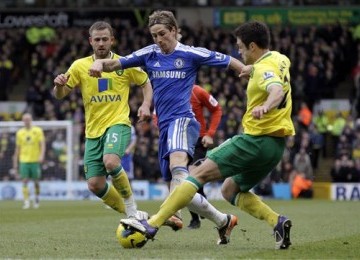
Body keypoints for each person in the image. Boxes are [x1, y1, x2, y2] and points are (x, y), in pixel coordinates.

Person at [120, 20, 295, 250]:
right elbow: (272, 76)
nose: (239, 52)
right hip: (276, 147)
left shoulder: (262, 70)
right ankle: (277, 222)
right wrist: (252, 69)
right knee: (229, 190)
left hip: (255, 140)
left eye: (241, 47)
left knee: (194, 175)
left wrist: (266, 106)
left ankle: (152, 224)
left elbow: (275, 89)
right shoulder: (280, 59)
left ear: (253, 46)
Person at [89, 10, 248, 244]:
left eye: (162, 34)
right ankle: (223, 221)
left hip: (183, 120)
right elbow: (117, 63)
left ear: (174, 31)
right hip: (164, 127)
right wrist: (101, 62)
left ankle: (161, 218)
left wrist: (246, 69)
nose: (158, 39)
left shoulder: (190, 53)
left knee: (178, 168)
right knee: (181, 188)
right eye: (154, 35)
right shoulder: (149, 53)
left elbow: (225, 59)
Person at [53, 21, 152, 220]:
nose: (101, 43)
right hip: (92, 132)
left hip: (118, 123)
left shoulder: (124, 63)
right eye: (97, 39)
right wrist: (58, 86)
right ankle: (138, 216)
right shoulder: (80, 66)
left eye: (105, 39)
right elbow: (60, 95)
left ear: (112, 40)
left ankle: (132, 210)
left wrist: (146, 104)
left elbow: (145, 82)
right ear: (90, 41)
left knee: (111, 161)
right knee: (95, 184)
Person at [187, 85, 223, 229]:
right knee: (185, 178)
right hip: (178, 140)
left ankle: (199, 212)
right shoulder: (169, 89)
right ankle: (198, 212)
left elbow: (217, 109)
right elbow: (156, 113)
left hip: (198, 140)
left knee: (191, 176)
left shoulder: (197, 91)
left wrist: (210, 133)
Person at [13, 113, 45, 209]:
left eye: (28, 119)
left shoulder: (38, 130)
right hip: (24, 160)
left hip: (35, 160)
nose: (26, 121)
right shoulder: (19, 133)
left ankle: (36, 198)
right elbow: (17, 148)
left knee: (36, 181)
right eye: (25, 119)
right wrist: (15, 161)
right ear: (23, 121)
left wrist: (41, 155)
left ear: (31, 120)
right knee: (24, 180)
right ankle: (26, 201)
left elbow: (42, 144)